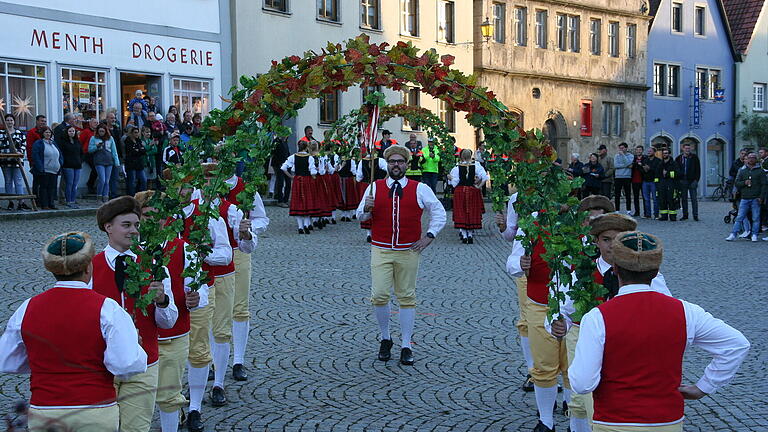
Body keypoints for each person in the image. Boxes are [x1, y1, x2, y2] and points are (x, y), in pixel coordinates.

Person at [569, 231, 750, 432]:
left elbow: (582, 383)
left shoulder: (597, 317)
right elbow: (736, 344)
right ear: (656, 272)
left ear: (615, 269)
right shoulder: (686, 312)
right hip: (667, 421)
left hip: (614, 421)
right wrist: (703, 387)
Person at [0, 231, 147, 431]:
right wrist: (136, 348)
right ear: (88, 267)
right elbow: (126, 364)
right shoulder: (107, 308)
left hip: (44, 410)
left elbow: (7, 359)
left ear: (53, 269)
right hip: (95, 409)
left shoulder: (27, 307)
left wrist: (43, 361)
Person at [549, 209, 670, 432]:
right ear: (596, 241)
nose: (612, 245)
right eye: (606, 240)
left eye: (619, 240)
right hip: (583, 338)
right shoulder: (581, 272)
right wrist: (558, 326)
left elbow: (664, 306)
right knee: (581, 400)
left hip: (628, 344)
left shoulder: (645, 273)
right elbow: (564, 311)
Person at [92, 196, 178, 432]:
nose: (134, 231)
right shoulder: (91, 267)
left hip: (144, 362)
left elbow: (169, 321)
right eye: (126, 225)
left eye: (136, 225)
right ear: (108, 227)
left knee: (137, 428)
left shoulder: (153, 264)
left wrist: (162, 301)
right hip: (101, 365)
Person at [356, 145, 446, 366]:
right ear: (387, 164)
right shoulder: (374, 188)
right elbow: (359, 215)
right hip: (381, 248)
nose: (396, 165)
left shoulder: (420, 188)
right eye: (392, 162)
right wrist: (366, 209)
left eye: (400, 161)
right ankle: (385, 338)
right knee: (379, 295)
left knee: (406, 296)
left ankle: (406, 344)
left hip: (408, 249)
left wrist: (429, 236)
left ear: (407, 164)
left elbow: (439, 212)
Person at [133, 191, 206, 432]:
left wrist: (196, 298)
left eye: (159, 215)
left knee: (169, 396)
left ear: (168, 218)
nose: (154, 220)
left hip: (173, 336)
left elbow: (199, 288)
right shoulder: (129, 251)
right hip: (138, 338)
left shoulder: (184, 249)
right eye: (146, 215)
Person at [223, 171, 269, 384]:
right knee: (211, 309)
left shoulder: (246, 188)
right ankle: (214, 360)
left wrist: (249, 228)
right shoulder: (202, 188)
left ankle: (238, 360)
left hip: (239, 250)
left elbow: (261, 218)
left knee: (239, 307)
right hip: (209, 254)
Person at [448, 149, 488, 243]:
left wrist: (450, 178)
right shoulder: (476, 166)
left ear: (462, 156)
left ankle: (464, 235)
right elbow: (485, 177)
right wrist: (478, 186)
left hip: (460, 191)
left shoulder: (457, 167)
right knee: (471, 211)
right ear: (470, 156)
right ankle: (470, 235)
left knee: (461, 212)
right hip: (472, 191)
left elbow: (454, 183)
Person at [726, 152, 767, 242]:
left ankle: (754, 234)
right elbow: (737, 183)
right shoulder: (743, 171)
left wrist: (761, 197)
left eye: (753, 157)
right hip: (744, 197)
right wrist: (744, 183)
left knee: (755, 218)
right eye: (750, 157)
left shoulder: (760, 171)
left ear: (756, 159)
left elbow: (764, 185)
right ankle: (733, 233)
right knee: (740, 217)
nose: (751, 159)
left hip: (756, 198)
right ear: (747, 159)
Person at [355, 150, 388, 242]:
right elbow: (388, 170)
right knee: (377, 207)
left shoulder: (362, 161)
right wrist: (384, 178)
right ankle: (375, 231)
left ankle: (369, 233)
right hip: (377, 186)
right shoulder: (380, 160)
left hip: (366, 186)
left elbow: (358, 177)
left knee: (367, 206)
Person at [0, 114, 29, 210]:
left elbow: (23, 145)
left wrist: (20, 152)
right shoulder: (1, 133)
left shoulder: (19, 133)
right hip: (5, 161)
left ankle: (21, 202)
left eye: (11, 120)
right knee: (8, 181)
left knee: (18, 181)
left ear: (14, 121)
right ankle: (10, 201)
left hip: (17, 161)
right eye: (7, 120)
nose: (9, 122)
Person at [31, 127, 62, 210]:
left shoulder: (53, 143)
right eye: (46, 132)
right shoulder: (39, 143)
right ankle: (44, 204)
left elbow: (59, 154)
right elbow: (36, 156)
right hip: (45, 169)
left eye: (49, 132)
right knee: (44, 187)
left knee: (52, 188)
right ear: (42, 134)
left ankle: (51, 203)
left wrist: (60, 164)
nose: (48, 134)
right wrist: (40, 167)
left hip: (54, 170)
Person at [89, 123, 120, 202]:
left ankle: (105, 197)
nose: (101, 133)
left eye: (103, 131)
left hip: (109, 160)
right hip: (99, 161)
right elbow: (90, 150)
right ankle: (99, 195)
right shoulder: (93, 138)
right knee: (102, 179)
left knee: (107, 180)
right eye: (100, 131)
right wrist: (97, 146)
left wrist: (116, 162)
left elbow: (114, 151)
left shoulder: (110, 138)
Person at [675, 143, 701, 221]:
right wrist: (679, 179)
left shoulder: (694, 157)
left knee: (694, 199)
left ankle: (695, 215)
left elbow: (698, 170)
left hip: (692, 181)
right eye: (686, 148)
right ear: (683, 149)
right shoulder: (679, 158)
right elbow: (676, 169)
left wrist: (696, 180)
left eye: (689, 148)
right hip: (683, 181)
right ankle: (685, 215)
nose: (687, 150)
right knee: (684, 199)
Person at [59, 125, 83, 208]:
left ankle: (73, 200)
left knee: (75, 184)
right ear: (67, 132)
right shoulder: (63, 142)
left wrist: (80, 161)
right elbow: (61, 153)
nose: (72, 133)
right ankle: (68, 200)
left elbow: (81, 153)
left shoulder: (77, 141)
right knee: (69, 183)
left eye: (73, 131)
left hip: (77, 165)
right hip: (67, 165)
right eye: (70, 131)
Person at [26, 114, 47, 203]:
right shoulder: (32, 132)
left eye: (44, 121)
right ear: (37, 121)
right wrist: (32, 161)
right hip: (36, 161)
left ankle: (43, 199)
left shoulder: (46, 131)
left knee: (44, 182)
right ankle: (35, 199)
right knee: (36, 181)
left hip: (45, 161)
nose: (43, 123)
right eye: (42, 121)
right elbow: (29, 148)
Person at [124, 126, 147, 196]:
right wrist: (139, 150)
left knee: (144, 180)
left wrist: (138, 150)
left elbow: (144, 151)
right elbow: (132, 152)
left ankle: (141, 195)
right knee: (132, 181)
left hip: (139, 164)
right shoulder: (128, 141)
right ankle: (131, 196)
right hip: (131, 164)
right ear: (131, 133)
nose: (137, 134)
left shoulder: (139, 141)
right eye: (135, 132)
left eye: (138, 132)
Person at [658, 148, 680, 221]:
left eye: (666, 153)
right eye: (664, 153)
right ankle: (664, 216)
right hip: (662, 184)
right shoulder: (660, 163)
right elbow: (657, 174)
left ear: (669, 154)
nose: (665, 154)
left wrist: (667, 174)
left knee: (671, 200)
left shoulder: (674, 163)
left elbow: (677, 173)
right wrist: (657, 184)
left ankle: (672, 216)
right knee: (662, 200)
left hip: (671, 183)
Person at [271, 137, 292, 207]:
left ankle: (286, 199)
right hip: (278, 164)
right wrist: (280, 163)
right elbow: (273, 153)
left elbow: (287, 152)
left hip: (286, 164)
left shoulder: (285, 141)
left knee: (288, 182)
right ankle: (280, 200)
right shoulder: (276, 141)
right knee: (280, 182)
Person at [641, 147, 661, 219]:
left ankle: (656, 214)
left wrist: (650, 168)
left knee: (655, 199)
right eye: (648, 151)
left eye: (650, 151)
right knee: (646, 199)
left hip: (654, 182)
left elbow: (658, 171)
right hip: (645, 181)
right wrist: (644, 169)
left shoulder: (658, 161)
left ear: (654, 152)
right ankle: (648, 214)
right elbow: (642, 170)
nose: (648, 152)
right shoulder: (645, 160)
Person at [613, 143, 633, 214]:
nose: (621, 150)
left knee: (628, 194)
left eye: (622, 148)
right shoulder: (616, 156)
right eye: (620, 148)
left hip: (627, 176)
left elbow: (628, 162)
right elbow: (615, 165)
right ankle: (617, 210)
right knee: (617, 194)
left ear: (626, 148)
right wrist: (625, 165)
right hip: (618, 176)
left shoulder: (630, 156)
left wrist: (623, 155)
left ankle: (628, 210)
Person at [630, 145, 645, 217]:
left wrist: (641, 165)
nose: (638, 151)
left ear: (642, 151)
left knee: (645, 197)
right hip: (634, 180)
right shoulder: (633, 158)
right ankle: (637, 212)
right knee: (635, 197)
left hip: (643, 180)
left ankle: (646, 212)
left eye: (640, 150)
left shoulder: (645, 158)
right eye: (637, 150)